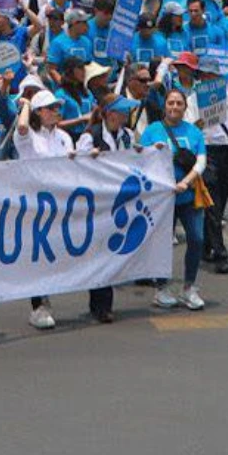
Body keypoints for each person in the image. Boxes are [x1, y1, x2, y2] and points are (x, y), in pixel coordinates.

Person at [140, 89, 207, 311]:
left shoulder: (194, 132)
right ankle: (161, 288)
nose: (174, 107)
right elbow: (139, 158)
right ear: (165, 105)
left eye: (179, 103)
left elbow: (200, 162)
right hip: (162, 200)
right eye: (171, 103)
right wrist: (151, 150)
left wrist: (185, 183)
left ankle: (189, 286)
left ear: (185, 107)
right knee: (161, 244)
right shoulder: (152, 131)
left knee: (197, 239)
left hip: (188, 197)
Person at [13, 89, 75, 329]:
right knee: (38, 254)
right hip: (34, 203)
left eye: (57, 108)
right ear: (39, 112)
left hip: (60, 204)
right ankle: (38, 306)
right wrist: (26, 105)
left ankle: (47, 298)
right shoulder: (30, 136)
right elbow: (21, 128)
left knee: (54, 254)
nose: (56, 112)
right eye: (50, 108)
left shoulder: (64, 137)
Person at [76, 92, 139, 322]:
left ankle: (105, 303)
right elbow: (77, 165)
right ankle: (99, 305)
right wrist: (89, 157)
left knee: (111, 254)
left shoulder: (127, 136)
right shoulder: (90, 137)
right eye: (120, 111)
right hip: (97, 203)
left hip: (120, 202)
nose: (124, 115)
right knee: (99, 253)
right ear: (108, 113)